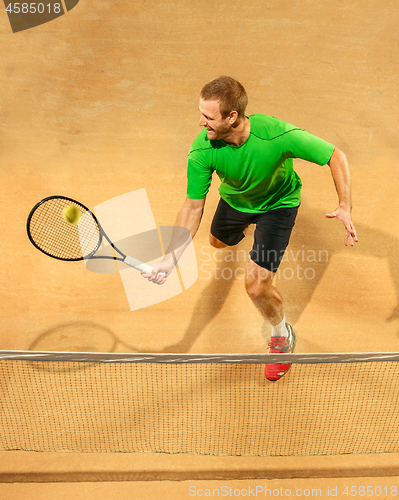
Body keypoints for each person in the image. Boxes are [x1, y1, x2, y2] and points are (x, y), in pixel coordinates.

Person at [144, 76, 358, 381]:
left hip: (277, 206)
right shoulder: (202, 148)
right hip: (235, 202)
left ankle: (280, 335)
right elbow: (193, 207)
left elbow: (335, 155)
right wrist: (170, 258)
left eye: (208, 116)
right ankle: (249, 233)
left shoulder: (275, 134)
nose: (200, 121)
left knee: (256, 287)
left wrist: (345, 205)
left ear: (232, 117)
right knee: (217, 243)